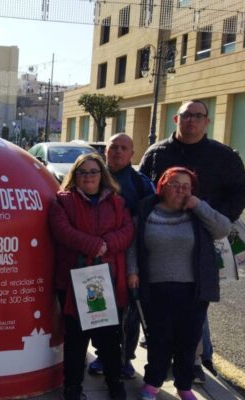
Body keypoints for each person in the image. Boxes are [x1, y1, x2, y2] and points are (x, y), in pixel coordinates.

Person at [139, 99, 245, 382]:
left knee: (195, 302)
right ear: (176, 120)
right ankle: (163, 362)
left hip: (201, 239)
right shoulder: (156, 152)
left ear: (207, 122)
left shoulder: (223, 155)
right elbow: (142, 188)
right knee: (158, 304)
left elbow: (242, 190)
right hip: (161, 239)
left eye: (198, 116)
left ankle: (196, 362)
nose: (192, 120)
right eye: (186, 115)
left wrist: (219, 219)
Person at [127, 167, 231, 400]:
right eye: (175, 184)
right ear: (163, 186)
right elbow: (132, 245)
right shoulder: (146, 211)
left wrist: (198, 205)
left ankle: (184, 386)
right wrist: (132, 271)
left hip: (194, 289)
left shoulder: (197, 213)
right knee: (159, 339)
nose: (180, 190)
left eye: (186, 186)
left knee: (189, 339)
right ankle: (153, 383)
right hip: (156, 288)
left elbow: (223, 229)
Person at [48, 153, 134, 400]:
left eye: (93, 171)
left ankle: (115, 383)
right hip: (75, 281)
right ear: (75, 176)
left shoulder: (117, 202)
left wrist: (106, 244)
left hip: (108, 279)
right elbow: (62, 231)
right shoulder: (62, 201)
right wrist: (95, 245)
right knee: (76, 340)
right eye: (83, 172)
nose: (88, 176)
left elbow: (127, 231)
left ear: (102, 174)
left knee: (109, 340)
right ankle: (72, 388)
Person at [88, 133, 155, 379]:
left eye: (123, 148)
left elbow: (148, 221)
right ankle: (102, 356)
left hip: (128, 255)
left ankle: (126, 358)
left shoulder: (141, 183)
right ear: (105, 151)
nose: (117, 151)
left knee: (129, 312)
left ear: (132, 154)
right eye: (113, 147)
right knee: (98, 307)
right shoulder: (91, 175)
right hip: (97, 253)